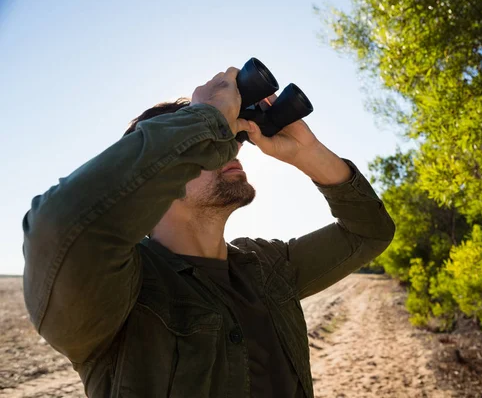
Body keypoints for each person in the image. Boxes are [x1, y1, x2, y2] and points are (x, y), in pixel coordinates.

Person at [21, 67, 395, 397]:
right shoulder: (119, 292)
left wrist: (307, 153)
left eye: (228, 142)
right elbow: (57, 229)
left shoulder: (267, 268)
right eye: (207, 148)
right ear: (157, 178)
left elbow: (370, 232)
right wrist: (207, 116)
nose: (228, 150)